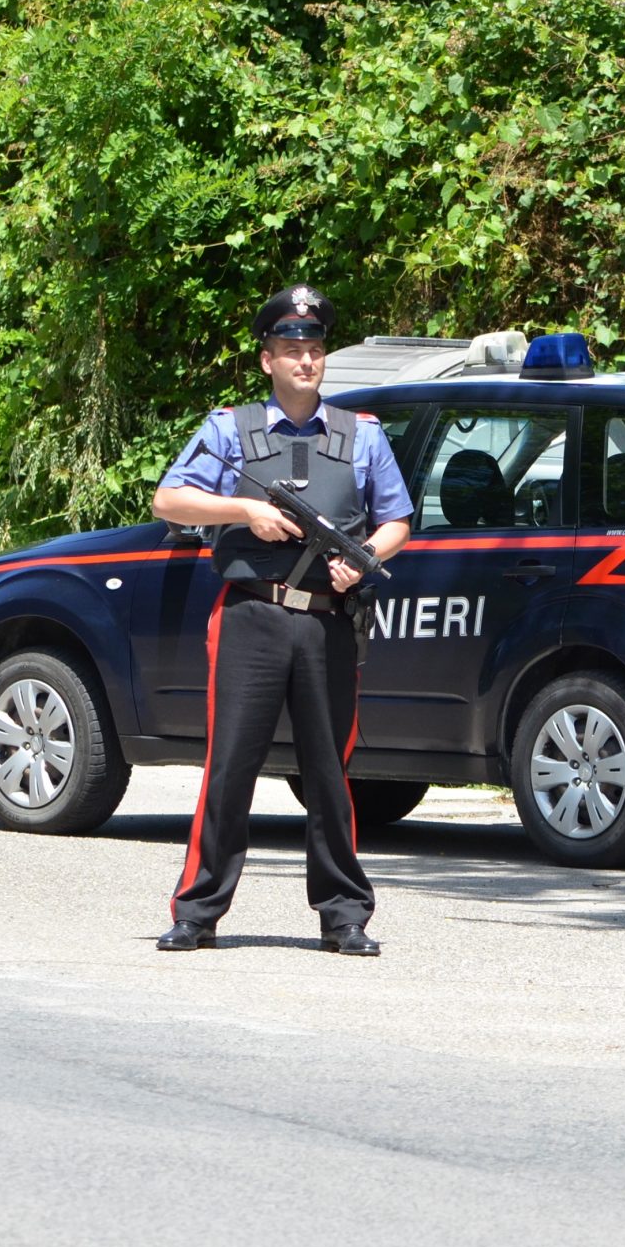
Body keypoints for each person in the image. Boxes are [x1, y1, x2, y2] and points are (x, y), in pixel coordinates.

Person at [151, 285, 413, 956]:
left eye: (316, 349)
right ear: (267, 358)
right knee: (229, 767)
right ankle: (198, 910)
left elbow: (397, 522)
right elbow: (170, 500)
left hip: (327, 621)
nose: (306, 360)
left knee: (329, 772)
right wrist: (245, 513)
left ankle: (344, 916)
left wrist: (366, 561)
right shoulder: (229, 431)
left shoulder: (361, 437)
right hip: (251, 618)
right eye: (292, 349)